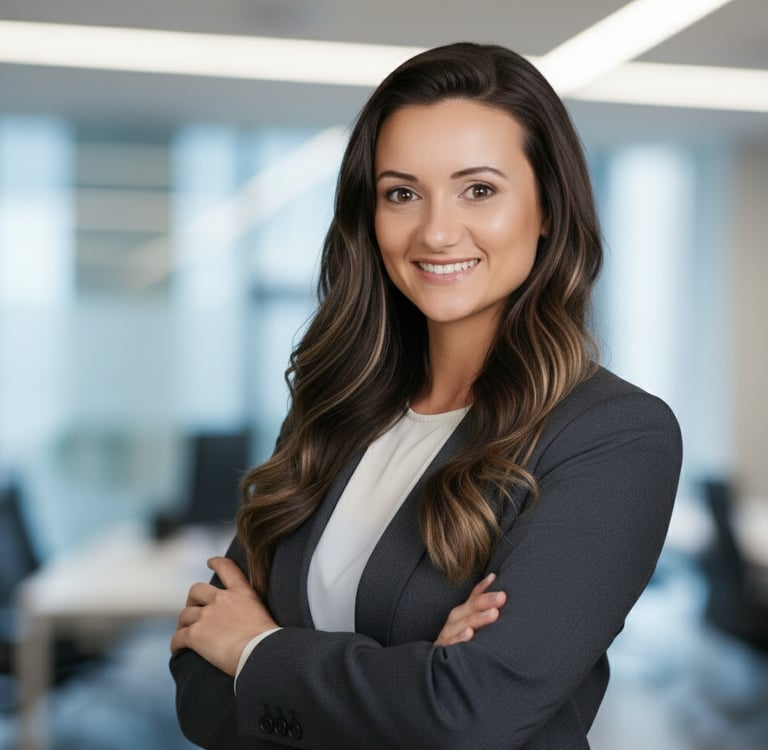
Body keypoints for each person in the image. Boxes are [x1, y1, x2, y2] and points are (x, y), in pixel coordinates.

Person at [170, 42, 682, 749]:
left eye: (479, 189)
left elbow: (470, 713)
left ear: (547, 211)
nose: (436, 231)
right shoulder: (332, 412)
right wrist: (411, 675)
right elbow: (200, 688)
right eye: (401, 193)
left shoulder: (612, 435)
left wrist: (258, 651)